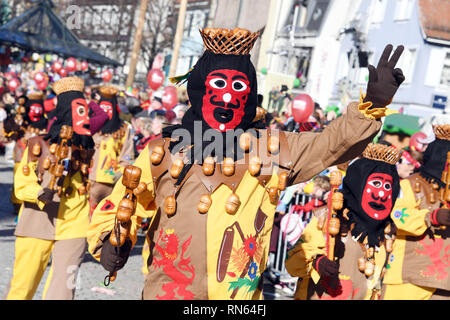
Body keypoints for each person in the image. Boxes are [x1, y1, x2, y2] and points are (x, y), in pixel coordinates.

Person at [87, 28, 405, 300]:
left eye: (237, 87)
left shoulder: (268, 152)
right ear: (200, 89)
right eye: (218, 85)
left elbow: (329, 146)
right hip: (169, 292)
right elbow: (119, 204)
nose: (227, 98)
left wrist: (371, 107)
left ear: (249, 94)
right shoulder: (167, 151)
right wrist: (111, 241)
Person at [3, 76, 107, 300]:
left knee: (63, 292)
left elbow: (104, 116)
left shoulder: (87, 146)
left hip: (74, 227)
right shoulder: (36, 145)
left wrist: (88, 102)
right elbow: (21, 187)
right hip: (37, 223)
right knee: (22, 288)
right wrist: (40, 193)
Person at [286, 143, 402, 299]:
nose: (381, 194)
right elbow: (293, 261)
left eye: (387, 187)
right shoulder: (329, 219)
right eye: (376, 184)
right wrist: (316, 263)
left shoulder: (388, 232)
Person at [382, 123, 450, 300]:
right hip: (409, 275)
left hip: (445, 282)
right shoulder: (409, 185)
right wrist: (431, 217)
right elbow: (395, 215)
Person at [88, 85, 134, 216]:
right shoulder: (90, 126)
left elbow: (127, 156)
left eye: (108, 108)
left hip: (109, 183)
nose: (105, 112)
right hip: (87, 180)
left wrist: (119, 172)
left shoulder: (123, 130)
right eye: (102, 108)